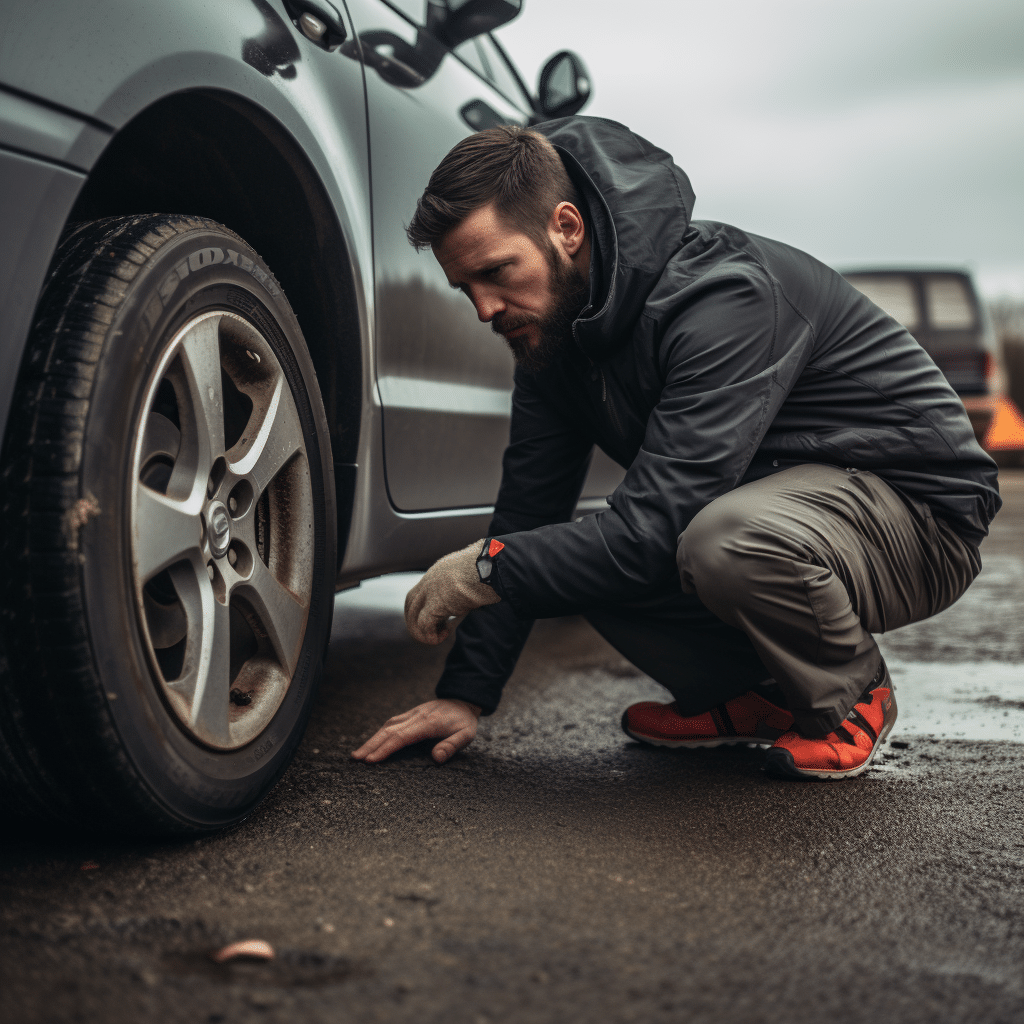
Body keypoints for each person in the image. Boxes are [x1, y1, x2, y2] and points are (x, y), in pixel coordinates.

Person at [351, 118, 1000, 779]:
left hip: (916, 517)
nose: (485, 309)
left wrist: (482, 570)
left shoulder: (723, 296)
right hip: (793, 508)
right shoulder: (552, 339)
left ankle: (849, 699)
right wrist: (464, 695)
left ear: (566, 229)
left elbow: (651, 532)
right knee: (562, 555)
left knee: (715, 540)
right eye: (467, 289)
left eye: (496, 272)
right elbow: (530, 514)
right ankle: (751, 698)